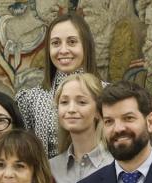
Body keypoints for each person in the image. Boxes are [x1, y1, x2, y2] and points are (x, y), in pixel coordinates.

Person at [15, 13, 100, 158]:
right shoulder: (30, 100)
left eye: (72, 42)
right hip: (49, 179)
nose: (63, 50)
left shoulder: (106, 93)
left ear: (86, 45)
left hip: (99, 178)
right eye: (55, 43)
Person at [50, 72, 111, 183]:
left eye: (81, 102)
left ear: (98, 111)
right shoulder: (51, 168)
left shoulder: (116, 164)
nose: (71, 109)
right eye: (64, 102)